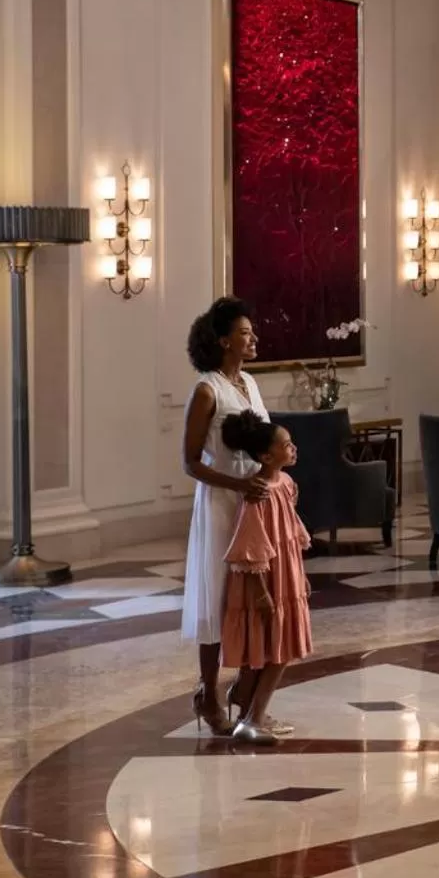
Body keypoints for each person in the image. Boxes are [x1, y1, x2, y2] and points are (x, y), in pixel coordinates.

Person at [180, 297, 270, 736]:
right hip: (220, 503)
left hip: (254, 502)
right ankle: (207, 690)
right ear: (222, 340)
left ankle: (245, 687)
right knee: (217, 594)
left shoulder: (250, 385)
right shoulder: (206, 391)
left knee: (254, 593)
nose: (253, 339)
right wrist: (237, 484)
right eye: (245, 332)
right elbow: (190, 462)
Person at [217, 412, 312, 746]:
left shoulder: (285, 485)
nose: (294, 448)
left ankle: (246, 702)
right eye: (287, 445)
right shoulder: (257, 496)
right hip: (266, 581)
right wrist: (260, 592)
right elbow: (252, 547)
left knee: (280, 648)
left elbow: (289, 535)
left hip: (287, 576)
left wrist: (300, 577)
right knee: (277, 649)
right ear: (266, 456)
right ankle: (251, 718)